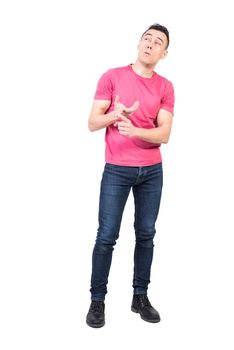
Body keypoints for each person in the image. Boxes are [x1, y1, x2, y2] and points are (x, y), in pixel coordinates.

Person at [86, 23, 175, 328]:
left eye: (158, 42)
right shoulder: (112, 77)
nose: (150, 44)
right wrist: (115, 114)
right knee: (107, 235)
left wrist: (135, 129)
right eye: (147, 38)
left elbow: (164, 134)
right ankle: (97, 301)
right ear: (139, 43)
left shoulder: (165, 86)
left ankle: (140, 296)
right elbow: (92, 122)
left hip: (152, 171)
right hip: (117, 170)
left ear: (164, 53)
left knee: (146, 234)